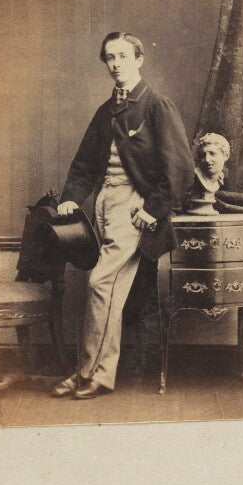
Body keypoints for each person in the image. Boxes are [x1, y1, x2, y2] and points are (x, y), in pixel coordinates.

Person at [52, 31, 194, 399]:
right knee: (109, 290)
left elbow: (180, 168)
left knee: (101, 284)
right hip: (103, 203)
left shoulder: (156, 105)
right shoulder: (106, 111)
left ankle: (88, 373)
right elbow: (85, 163)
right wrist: (71, 199)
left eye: (123, 57)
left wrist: (152, 209)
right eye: (110, 58)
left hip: (133, 207)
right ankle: (98, 373)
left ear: (139, 60)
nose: (115, 64)